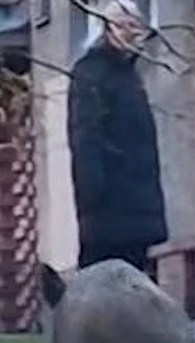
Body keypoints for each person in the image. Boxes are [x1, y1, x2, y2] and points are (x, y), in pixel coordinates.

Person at [67, 0, 167, 275]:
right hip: (108, 217)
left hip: (136, 213)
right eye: (125, 26)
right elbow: (86, 141)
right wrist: (92, 204)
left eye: (136, 26)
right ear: (106, 29)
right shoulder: (92, 74)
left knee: (136, 296)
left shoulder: (128, 76)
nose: (134, 33)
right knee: (103, 292)